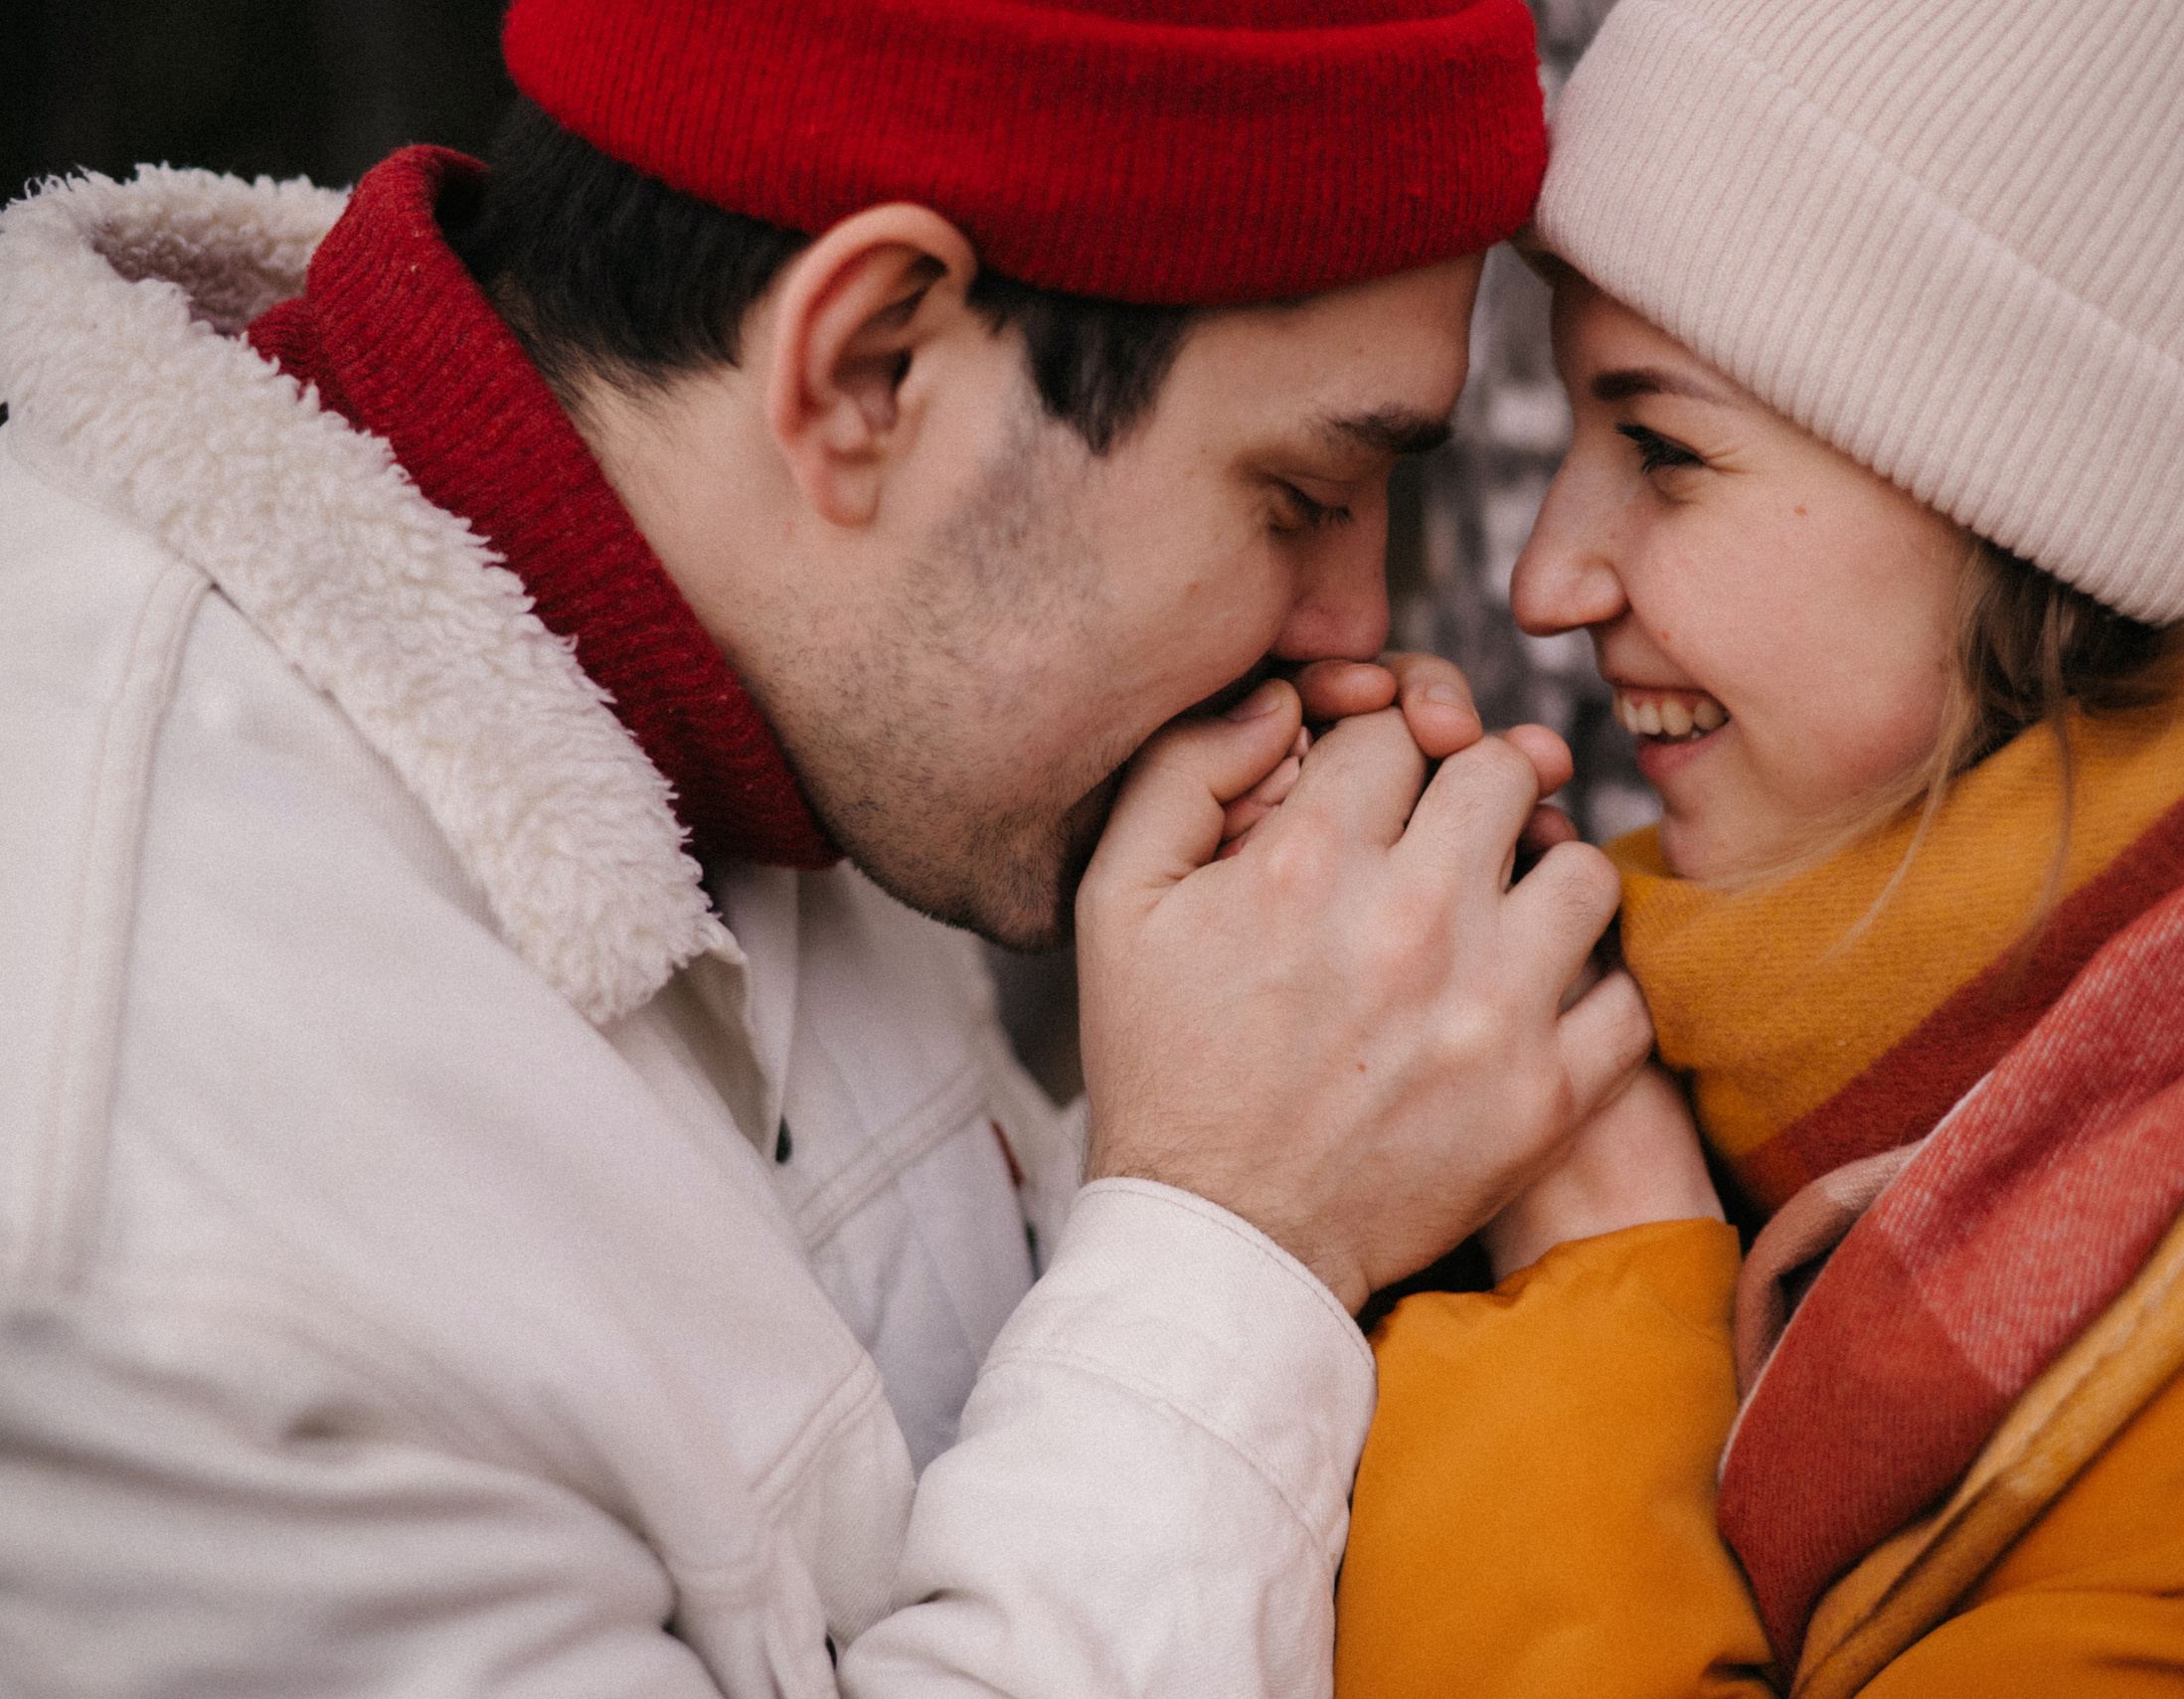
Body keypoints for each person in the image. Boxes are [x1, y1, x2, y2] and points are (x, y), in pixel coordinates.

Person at [0, 2, 1660, 1692]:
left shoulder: (766, 680)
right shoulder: (133, 1221)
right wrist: (1251, 1230)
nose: (1351, 627)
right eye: (1301, 497)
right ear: (869, 367)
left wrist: (1359, 1134)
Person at [1333, 0, 2184, 1693]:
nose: (1548, 580)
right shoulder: (1862, 997)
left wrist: (1595, 1269)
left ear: (2054, 513)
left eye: (1665, 452)